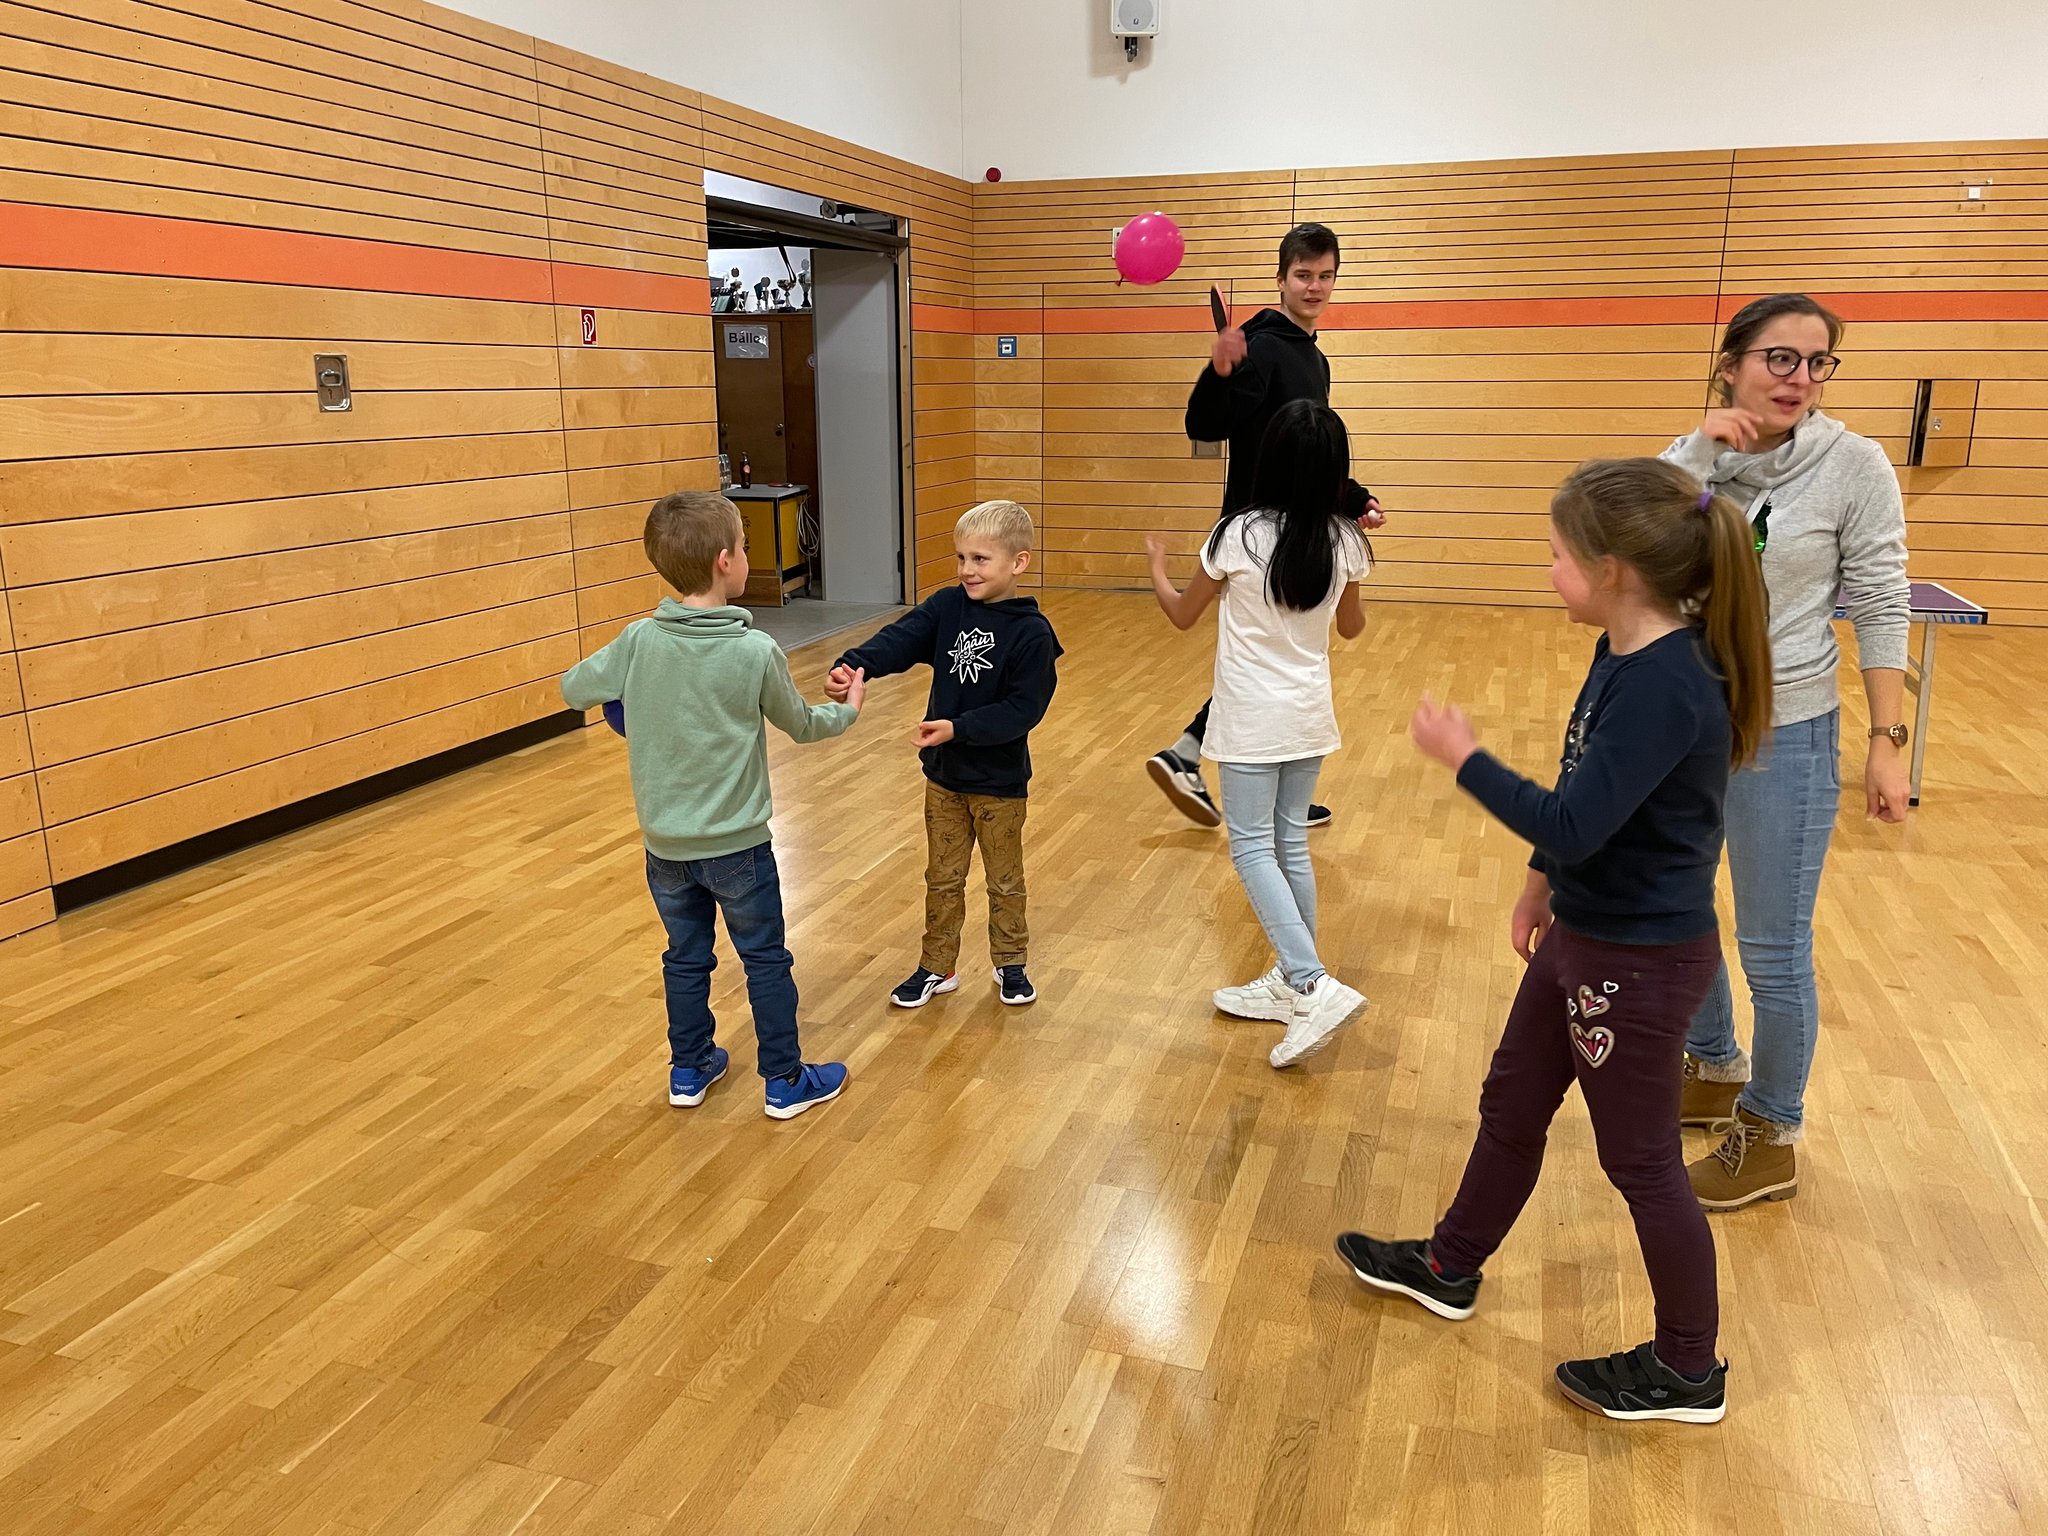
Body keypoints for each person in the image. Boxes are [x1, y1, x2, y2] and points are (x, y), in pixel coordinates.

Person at [1337, 456, 1774, 1424]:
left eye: (1556, 557)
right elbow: (1587, 791)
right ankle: (1450, 1264)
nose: (1547, 572)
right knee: (1511, 1104)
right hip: (1585, 934)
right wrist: (1540, 883)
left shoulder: (1669, 683)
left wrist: (1465, 759)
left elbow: (1575, 819)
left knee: (1642, 1163)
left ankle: (1687, 1369)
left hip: (1638, 963)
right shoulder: (1619, 651)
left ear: (1612, 571)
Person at [1664, 294, 1912, 1209]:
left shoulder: (1854, 466)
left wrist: (1887, 741)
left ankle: (1770, 1132)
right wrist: (1701, 454)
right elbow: (1639, 548)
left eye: (1817, 362)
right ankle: (1713, 1064)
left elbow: (1881, 598)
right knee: (1679, 910)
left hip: (1788, 729)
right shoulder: (1696, 459)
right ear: (1731, 363)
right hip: (1686, 723)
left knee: (1772, 947)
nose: (1800, 378)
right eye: (1780, 358)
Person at [560, 491, 860, 1120]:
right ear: (726, 561)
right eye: (745, 547)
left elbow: (574, 688)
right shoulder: (754, 652)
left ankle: (689, 1068)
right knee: (765, 960)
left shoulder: (638, 641)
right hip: (739, 848)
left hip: (665, 850)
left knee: (686, 959)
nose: (747, 556)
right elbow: (803, 725)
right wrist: (849, 710)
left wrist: (628, 711)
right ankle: (784, 1080)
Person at [1144, 401, 1373, 1069]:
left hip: (1250, 718)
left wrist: (1157, 567)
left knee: (1250, 849)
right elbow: (1352, 628)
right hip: (1308, 715)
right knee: (1288, 844)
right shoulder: (1347, 541)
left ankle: (1310, 982)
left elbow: (1182, 614)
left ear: (1268, 460)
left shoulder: (1237, 534)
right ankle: (1289, 982)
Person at [1147, 221, 1384, 831]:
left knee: (1275, 659)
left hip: (1291, 527)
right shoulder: (1263, 346)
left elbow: (1310, 452)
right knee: (1279, 660)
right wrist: (1218, 373)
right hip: (1257, 537)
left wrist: (1352, 498)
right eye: (1303, 275)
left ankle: (1196, 757)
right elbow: (1204, 426)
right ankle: (1220, 768)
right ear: (1280, 279)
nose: (1314, 286)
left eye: (1325, 276)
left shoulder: (1313, 358)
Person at [828, 500, 1063, 1009]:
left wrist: (959, 728)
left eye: (980, 559)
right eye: (961, 558)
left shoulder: (1032, 634)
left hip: (999, 785)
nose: (966, 570)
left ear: (1018, 562)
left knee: (1005, 881)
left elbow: (1023, 709)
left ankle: (1011, 963)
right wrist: (852, 665)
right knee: (942, 878)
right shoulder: (946, 608)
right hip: (944, 780)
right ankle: (937, 966)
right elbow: (899, 640)